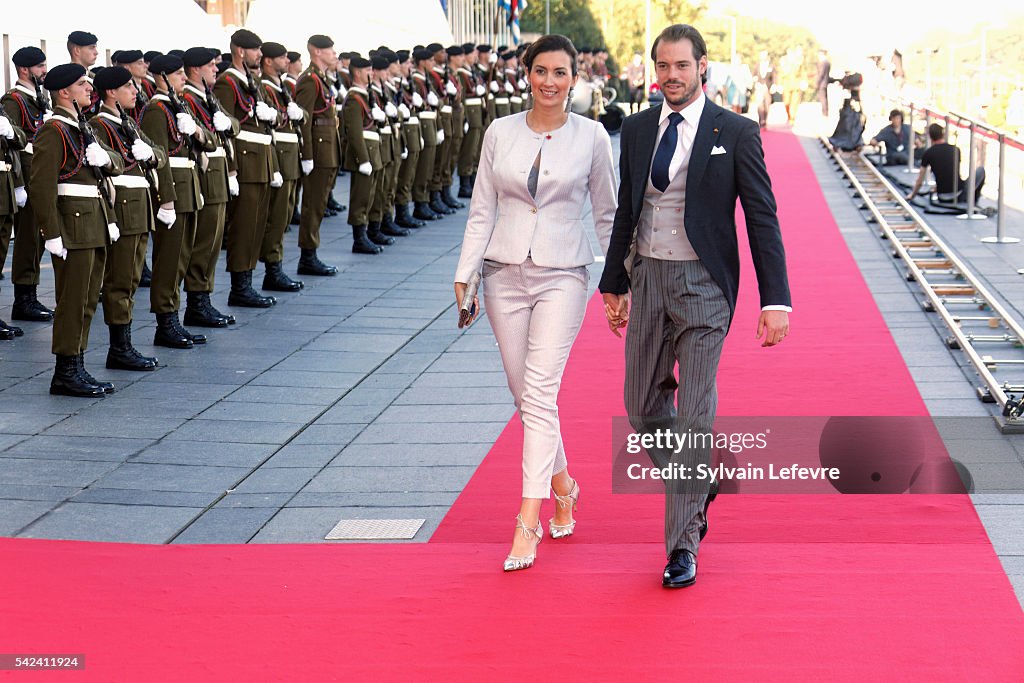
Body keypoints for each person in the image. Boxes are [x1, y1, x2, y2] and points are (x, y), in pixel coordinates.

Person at [599, 24, 791, 588]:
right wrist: (614, 281)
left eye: (682, 66)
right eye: (663, 66)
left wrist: (775, 299)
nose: (672, 77)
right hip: (649, 276)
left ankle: (682, 545)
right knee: (640, 407)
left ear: (701, 66)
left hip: (705, 285)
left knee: (693, 415)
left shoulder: (735, 130)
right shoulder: (636, 130)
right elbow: (625, 212)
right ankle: (699, 479)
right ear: (654, 69)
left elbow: (762, 217)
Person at [454, 34, 617, 572]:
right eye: (541, 71)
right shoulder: (499, 132)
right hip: (503, 272)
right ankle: (565, 484)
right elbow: (481, 207)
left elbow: (607, 214)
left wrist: (620, 280)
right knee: (525, 394)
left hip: (564, 273)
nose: (550, 81)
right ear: (527, 74)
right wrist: (466, 273)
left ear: (575, 78)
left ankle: (529, 518)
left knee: (541, 390)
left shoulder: (592, 136)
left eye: (561, 73)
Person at [31, 63, 125, 396]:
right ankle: (65, 372)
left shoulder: (79, 126)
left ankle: (77, 366)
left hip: (93, 222)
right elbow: (42, 186)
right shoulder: (54, 130)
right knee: (72, 301)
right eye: (81, 84)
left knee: (86, 301)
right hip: (72, 227)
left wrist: (107, 159)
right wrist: (51, 232)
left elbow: (115, 161)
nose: (89, 88)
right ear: (63, 92)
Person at [89, 65, 166, 371]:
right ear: (111, 92)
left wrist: (150, 153)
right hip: (122, 208)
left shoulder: (128, 123)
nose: (136, 92)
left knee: (131, 278)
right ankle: (119, 348)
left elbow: (159, 152)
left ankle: (123, 345)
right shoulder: (98, 126)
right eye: (129, 87)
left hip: (138, 206)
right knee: (120, 280)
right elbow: (110, 165)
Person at [214, 29, 278, 309]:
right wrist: (232, 170)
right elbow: (225, 130)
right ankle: (239, 287)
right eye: (255, 50)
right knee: (243, 227)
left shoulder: (253, 81)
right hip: (245, 161)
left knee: (256, 225)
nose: (259, 55)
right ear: (240, 51)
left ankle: (247, 282)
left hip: (261, 160)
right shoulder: (227, 83)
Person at [293, 34, 341, 275]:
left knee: (319, 203)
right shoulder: (310, 81)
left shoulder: (321, 79)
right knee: (312, 204)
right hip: (318, 153)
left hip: (328, 151)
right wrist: (307, 155)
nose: (334, 54)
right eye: (330, 50)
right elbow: (304, 120)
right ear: (317, 52)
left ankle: (311, 252)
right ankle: (307, 256)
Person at [907, 122, 985, 203]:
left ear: (930, 137)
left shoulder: (928, 153)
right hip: (958, 193)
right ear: (943, 134)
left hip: (942, 195)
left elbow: (920, 180)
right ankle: (973, 202)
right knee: (981, 170)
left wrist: (912, 195)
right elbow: (952, 173)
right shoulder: (955, 150)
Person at [816, 49, 831, 117]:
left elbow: (821, 74)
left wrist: (817, 82)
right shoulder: (827, 62)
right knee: (824, 99)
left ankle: (825, 113)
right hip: (824, 83)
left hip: (822, 83)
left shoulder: (824, 62)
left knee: (823, 99)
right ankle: (825, 113)